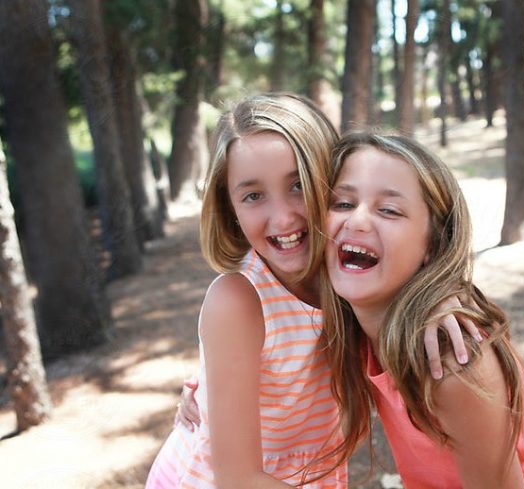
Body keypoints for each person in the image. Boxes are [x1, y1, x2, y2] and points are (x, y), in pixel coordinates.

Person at [149, 94, 479, 488]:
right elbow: (238, 479)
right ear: (230, 209)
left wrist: (439, 297)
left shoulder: (352, 276)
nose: (284, 216)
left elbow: (416, 267)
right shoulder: (238, 299)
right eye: (253, 195)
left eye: (298, 185)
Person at [315, 132, 524, 488]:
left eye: (389, 210)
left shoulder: (453, 359)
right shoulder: (357, 331)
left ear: (433, 244)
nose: (358, 221)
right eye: (343, 203)